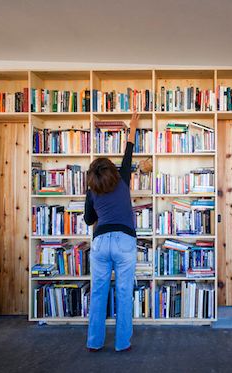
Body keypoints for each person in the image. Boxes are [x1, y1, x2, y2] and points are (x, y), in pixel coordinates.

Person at [84, 112, 139, 352]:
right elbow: (129, 151)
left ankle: (94, 342)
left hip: (100, 242)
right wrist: (133, 127)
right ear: (112, 170)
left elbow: (89, 219)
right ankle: (122, 343)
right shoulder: (123, 178)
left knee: (98, 294)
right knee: (124, 293)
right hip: (124, 241)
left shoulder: (92, 191)